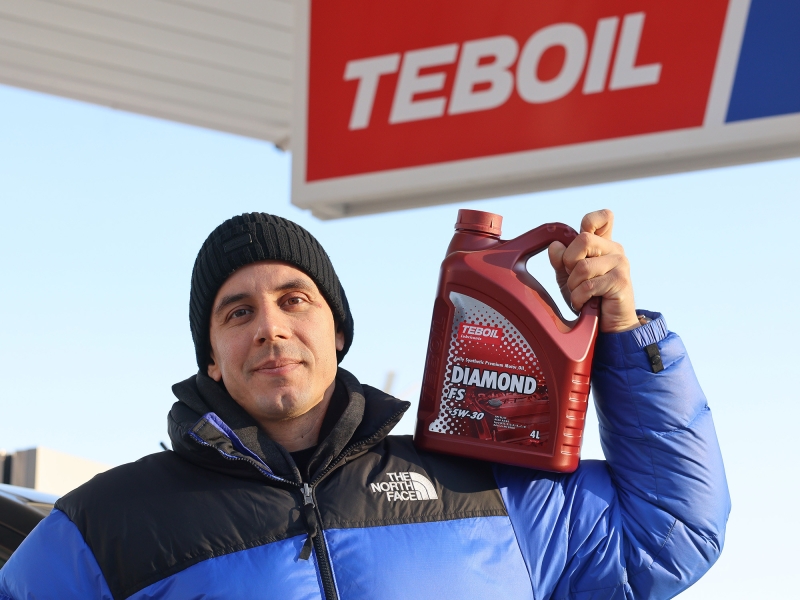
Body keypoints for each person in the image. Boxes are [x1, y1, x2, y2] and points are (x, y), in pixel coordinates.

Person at [0, 210, 730, 599]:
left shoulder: (485, 486)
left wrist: (622, 333)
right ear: (212, 361)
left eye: (295, 300)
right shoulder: (103, 526)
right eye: (237, 312)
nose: (270, 328)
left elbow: (672, 530)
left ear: (338, 331)